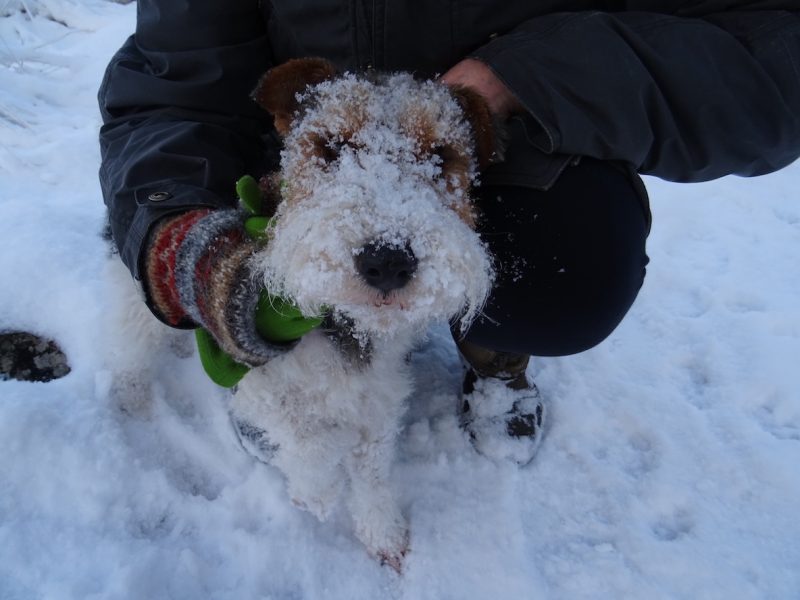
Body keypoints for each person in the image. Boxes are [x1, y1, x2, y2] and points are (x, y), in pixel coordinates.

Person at [98, 1, 800, 465]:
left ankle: (497, 353)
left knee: (565, 276)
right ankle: (284, 382)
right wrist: (177, 224)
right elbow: (174, 81)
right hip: (297, 134)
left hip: (524, 131)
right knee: (282, 260)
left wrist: (533, 76)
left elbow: (772, 55)